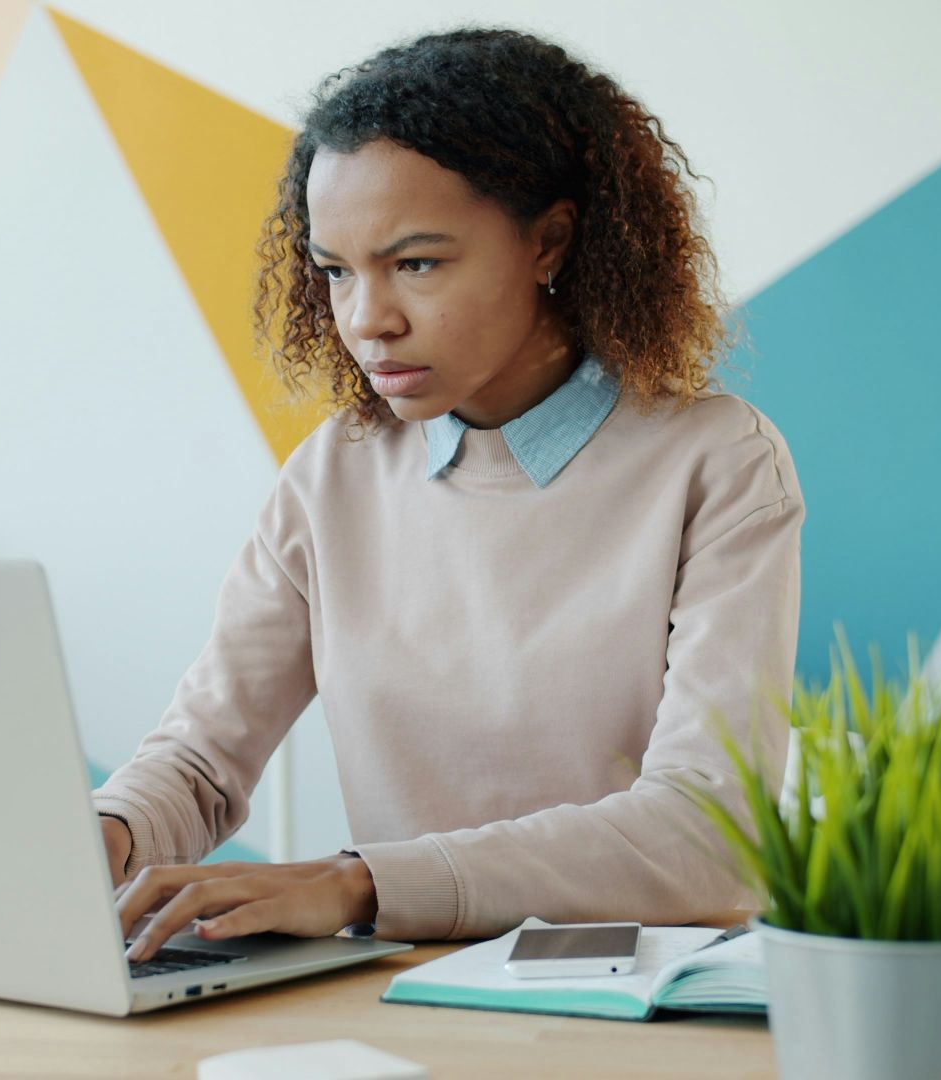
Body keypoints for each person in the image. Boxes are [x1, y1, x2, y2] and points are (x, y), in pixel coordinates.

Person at [96, 25, 803, 963]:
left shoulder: (717, 463)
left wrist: (358, 883)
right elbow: (197, 762)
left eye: (416, 263)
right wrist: (100, 840)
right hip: (413, 992)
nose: (366, 320)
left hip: (641, 998)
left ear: (549, 240)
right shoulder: (333, 474)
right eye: (336, 271)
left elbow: (708, 832)